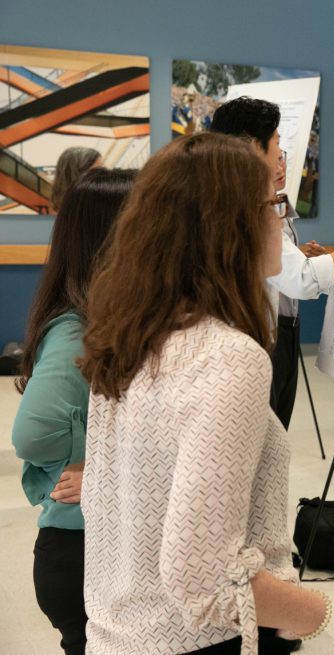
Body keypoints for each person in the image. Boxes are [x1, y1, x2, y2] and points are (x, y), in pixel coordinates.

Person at [79, 133, 331, 654]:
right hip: (201, 642)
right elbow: (204, 579)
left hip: (117, 634)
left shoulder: (130, 333)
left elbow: (101, 504)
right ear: (229, 224)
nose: (279, 220)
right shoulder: (228, 357)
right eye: (272, 204)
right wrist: (314, 612)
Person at [209, 96, 334, 428]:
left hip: (270, 335)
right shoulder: (246, 209)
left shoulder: (231, 200)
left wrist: (314, 261)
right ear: (254, 147)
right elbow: (301, 280)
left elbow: (283, 269)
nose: (281, 160)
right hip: (255, 342)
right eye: (276, 146)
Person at [11, 168, 134, 655]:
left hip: (95, 546)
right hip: (83, 550)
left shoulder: (106, 319)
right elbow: (33, 434)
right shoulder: (75, 331)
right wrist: (90, 463)